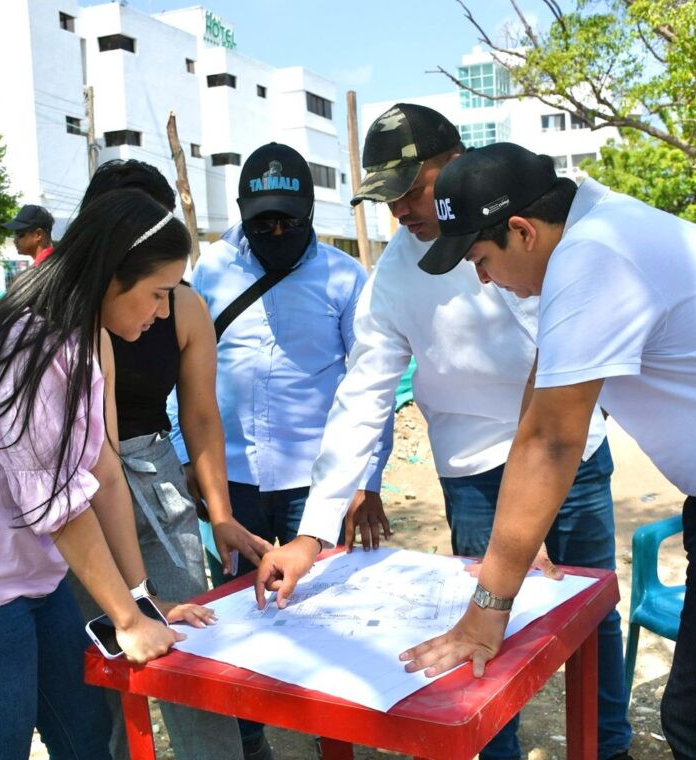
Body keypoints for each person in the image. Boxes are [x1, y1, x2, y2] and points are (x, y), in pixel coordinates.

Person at [402, 143, 696, 760]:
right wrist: (518, 537)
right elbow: (540, 401)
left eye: (480, 259)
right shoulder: (598, 230)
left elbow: (552, 439)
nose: (485, 279)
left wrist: (488, 607)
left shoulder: (593, 258)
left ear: (520, 231)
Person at [253, 104, 632, 760]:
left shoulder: (528, 221)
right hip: (479, 479)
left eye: (411, 188)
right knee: (485, 633)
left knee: (593, 617)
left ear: (456, 161)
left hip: (575, 455)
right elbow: (362, 399)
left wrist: (542, 499)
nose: (401, 209)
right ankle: (497, 750)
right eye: (387, 198)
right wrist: (312, 534)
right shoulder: (394, 278)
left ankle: (611, 746)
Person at [0, 189, 210, 758]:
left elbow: (104, 472)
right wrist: (127, 622)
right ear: (111, 276)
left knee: (84, 738)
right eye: (156, 295)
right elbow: (58, 505)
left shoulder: (92, 339)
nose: (160, 314)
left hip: (30, 581)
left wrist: (140, 597)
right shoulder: (31, 346)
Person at [179, 141, 392, 760]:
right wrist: (189, 458)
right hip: (234, 484)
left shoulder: (344, 276)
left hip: (316, 487)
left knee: (327, 617)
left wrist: (366, 480)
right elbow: (183, 370)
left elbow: (368, 383)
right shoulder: (211, 271)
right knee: (240, 620)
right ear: (242, 213)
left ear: (310, 215)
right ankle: (251, 743)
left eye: (288, 222)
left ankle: (337, 738)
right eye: (262, 222)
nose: (275, 232)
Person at [67, 159, 268, 760]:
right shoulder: (62, 319)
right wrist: (129, 601)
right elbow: (76, 472)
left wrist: (222, 513)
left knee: (191, 651)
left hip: (153, 479)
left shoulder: (182, 307)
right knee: (101, 658)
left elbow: (201, 415)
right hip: (75, 493)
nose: (156, 304)